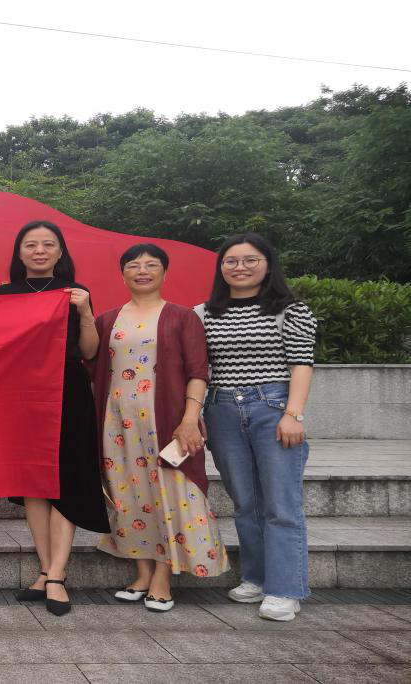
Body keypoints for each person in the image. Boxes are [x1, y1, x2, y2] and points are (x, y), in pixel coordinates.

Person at [91, 244, 229, 613]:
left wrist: (189, 419)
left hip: (165, 422)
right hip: (116, 424)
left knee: (170, 494)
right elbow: (93, 366)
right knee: (128, 496)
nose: (142, 271)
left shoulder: (182, 317)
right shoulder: (107, 320)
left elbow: (198, 371)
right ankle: (142, 572)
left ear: (164, 273)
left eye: (151, 265)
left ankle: (163, 577)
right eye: (133, 265)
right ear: (122, 274)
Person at [0, 220, 110, 616]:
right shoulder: (3, 295)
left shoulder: (76, 292)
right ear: (19, 252)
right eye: (31, 244)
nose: (39, 251)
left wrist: (85, 311)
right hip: (22, 396)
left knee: (66, 479)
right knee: (33, 483)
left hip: (69, 391)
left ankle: (58, 574)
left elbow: (90, 352)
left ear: (60, 252)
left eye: (48, 244)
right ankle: (45, 570)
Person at [200, 233, 316, 621]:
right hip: (221, 409)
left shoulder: (291, 310)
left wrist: (293, 414)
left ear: (268, 265)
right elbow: (200, 368)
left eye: (250, 260)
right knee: (245, 502)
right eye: (231, 261)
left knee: (281, 504)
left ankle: (285, 589)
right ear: (221, 268)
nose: (240, 267)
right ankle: (256, 577)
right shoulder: (204, 313)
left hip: (273, 406)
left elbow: (301, 363)